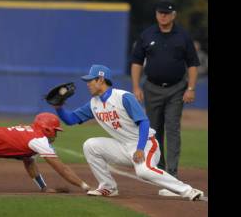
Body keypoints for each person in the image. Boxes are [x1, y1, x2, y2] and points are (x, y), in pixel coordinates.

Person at [50, 64, 204, 201]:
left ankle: (188, 190)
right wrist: (59, 107)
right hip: (123, 147)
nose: (88, 84)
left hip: (146, 144)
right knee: (90, 145)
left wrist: (139, 148)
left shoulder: (123, 97)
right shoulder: (94, 103)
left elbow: (144, 122)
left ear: (101, 80)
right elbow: (70, 120)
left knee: (144, 172)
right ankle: (108, 187)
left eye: (91, 80)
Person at [130, 0, 200, 178]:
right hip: (152, 88)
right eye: (160, 13)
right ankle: (159, 168)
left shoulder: (183, 36)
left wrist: (191, 88)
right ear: (156, 14)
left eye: (167, 13)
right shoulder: (147, 35)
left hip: (176, 88)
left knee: (172, 128)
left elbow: (192, 64)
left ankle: (172, 171)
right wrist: (136, 87)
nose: (163, 16)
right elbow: (137, 62)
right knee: (154, 129)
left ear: (173, 15)